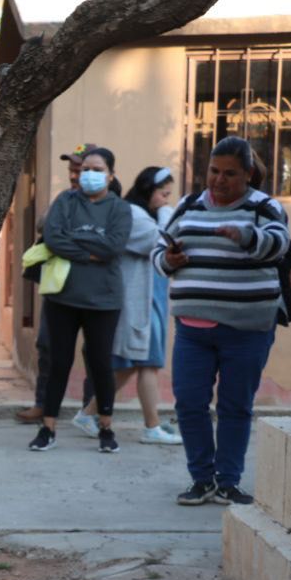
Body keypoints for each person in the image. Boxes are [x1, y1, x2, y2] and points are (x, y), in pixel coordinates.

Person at [154, 136, 289, 506]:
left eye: (230, 173)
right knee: (189, 403)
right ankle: (202, 479)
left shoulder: (264, 207)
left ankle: (228, 480)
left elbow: (280, 244)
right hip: (192, 330)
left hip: (247, 329)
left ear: (247, 174)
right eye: (214, 171)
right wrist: (170, 260)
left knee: (235, 406)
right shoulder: (189, 205)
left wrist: (247, 236)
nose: (219, 180)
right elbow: (159, 251)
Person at [28, 147, 131, 453]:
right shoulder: (65, 201)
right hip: (63, 296)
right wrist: (90, 253)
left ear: (110, 175)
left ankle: (106, 428)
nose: (89, 174)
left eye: (97, 169)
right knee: (59, 362)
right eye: (86, 168)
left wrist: (77, 245)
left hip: (104, 301)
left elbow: (114, 246)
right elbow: (53, 238)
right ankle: (47, 428)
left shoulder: (119, 208)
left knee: (100, 364)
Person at [80, 167, 181, 445]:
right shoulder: (132, 214)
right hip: (139, 298)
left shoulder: (144, 213)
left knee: (134, 364)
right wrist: (164, 215)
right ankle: (151, 426)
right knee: (146, 361)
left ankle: (89, 414)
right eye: (162, 194)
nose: (165, 200)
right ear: (148, 190)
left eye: (168, 196)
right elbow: (160, 241)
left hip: (153, 297)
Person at [18, 143, 95, 425]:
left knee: (94, 350)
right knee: (48, 346)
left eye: (79, 169)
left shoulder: (106, 201)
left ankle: (91, 409)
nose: (74, 175)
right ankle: (44, 404)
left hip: (91, 287)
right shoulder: (64, 199)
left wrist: (68, 236)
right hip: (58, 285)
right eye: (71, 169)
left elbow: (103, 240)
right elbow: (47, 228)